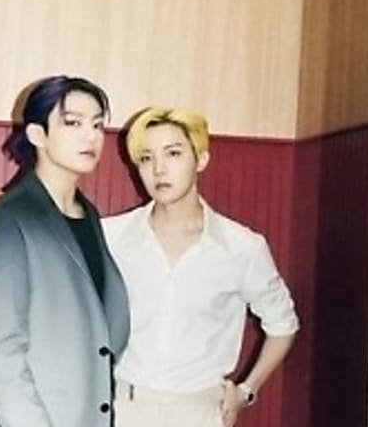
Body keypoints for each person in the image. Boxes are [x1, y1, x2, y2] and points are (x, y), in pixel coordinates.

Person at [104, 107, 298, 427]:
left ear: (201, 159)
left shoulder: (241, 248)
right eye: (147, 158)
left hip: (201, 412)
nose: (159, 169)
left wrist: (246, 390)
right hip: (122, 409)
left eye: (173, 153)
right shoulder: (110, 238)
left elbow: (283, 325)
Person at [0, 75, 130, 427]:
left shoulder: (88, 215)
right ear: (37, 134)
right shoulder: (4, 221)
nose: (91, 136)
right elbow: (2, 356)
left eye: (97, 125)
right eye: (73, 123)